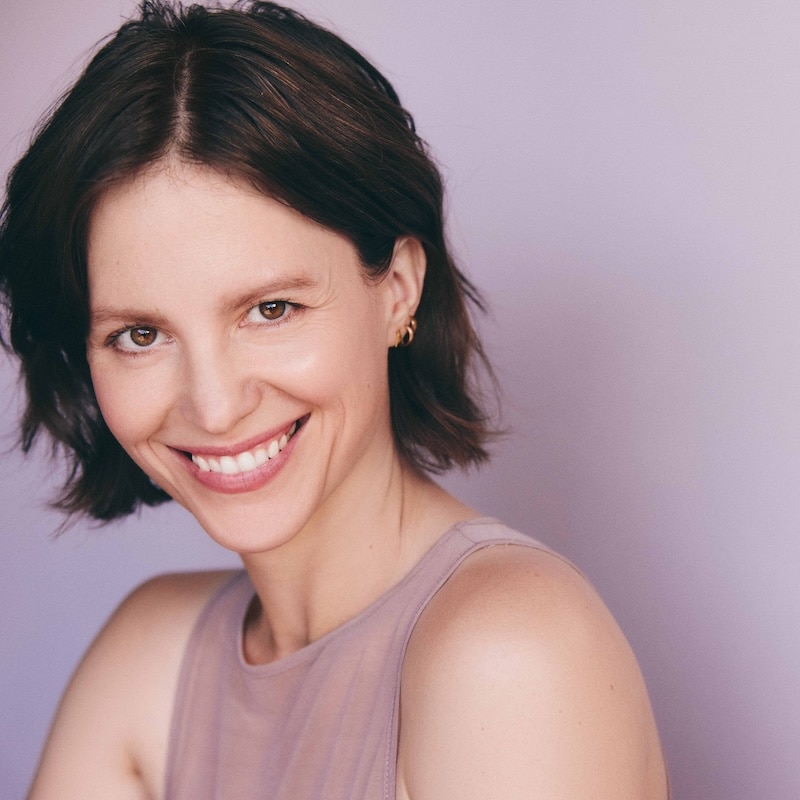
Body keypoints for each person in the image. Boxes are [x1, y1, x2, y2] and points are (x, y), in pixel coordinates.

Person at [0, 2, 668, 798]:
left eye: (270, 310)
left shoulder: (511, 651)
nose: (214, 406)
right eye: (140, 334)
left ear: (398, 289)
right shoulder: (150, 660)